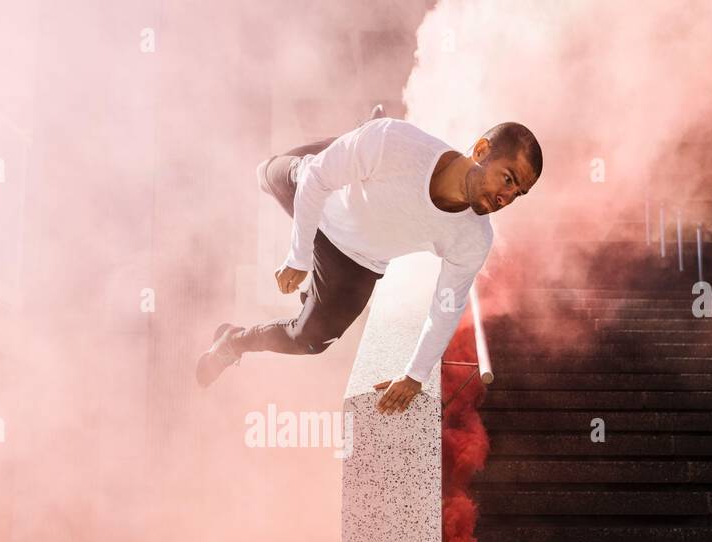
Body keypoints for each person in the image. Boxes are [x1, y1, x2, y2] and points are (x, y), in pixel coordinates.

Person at [195, 108, 541, 413]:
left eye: (518, 193)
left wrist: (414, 375)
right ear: (481, 150)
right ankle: (356, 139)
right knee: (264, 175)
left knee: (310, 341)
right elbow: (316, 182)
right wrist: (298, 257)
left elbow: (446, 306)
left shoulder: (474, 237)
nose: (505, 197)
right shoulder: (397, 143)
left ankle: (233, 342)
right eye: (507, 179)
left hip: (357, 261)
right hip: (316, 193)